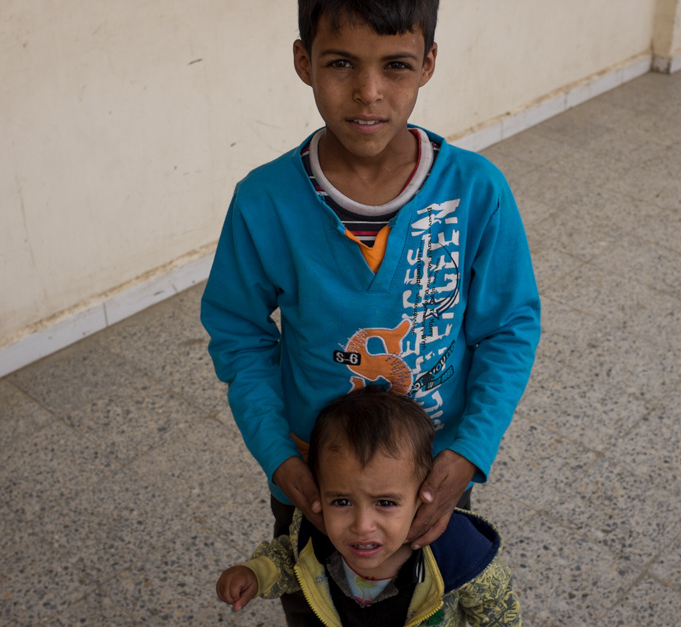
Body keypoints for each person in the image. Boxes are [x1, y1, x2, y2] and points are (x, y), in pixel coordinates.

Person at [201, 0, 540, 621]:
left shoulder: (476, 190)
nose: (368, 92)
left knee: (423, 601)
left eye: (397, 66)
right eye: (340, 63)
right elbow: (239, 336)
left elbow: (508, 328)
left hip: (429, 475)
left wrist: (467, 453)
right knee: (316, 604)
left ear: (429, 63)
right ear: (303, 61)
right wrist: (281, 459)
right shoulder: (263, 202)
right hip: (313, 477)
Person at [216, 387, 522, 626]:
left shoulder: (459, 552)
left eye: (386, 503)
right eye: (342, 501)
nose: (362, 526)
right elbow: (290, 558)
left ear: (422, 495)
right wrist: (256, 574)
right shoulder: (316, 533)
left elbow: (498, 610)